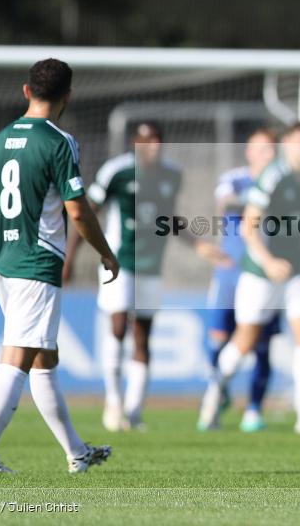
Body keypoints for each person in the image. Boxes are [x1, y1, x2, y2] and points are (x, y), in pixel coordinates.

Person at [0, 58, 118, 474]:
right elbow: (78, 212)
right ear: (68, 97)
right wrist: (105, 252)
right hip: (35, 264)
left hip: (2, 262)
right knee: (17, 360)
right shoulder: (59, 142)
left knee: (44, 359)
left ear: (27, 91)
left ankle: (77, 452)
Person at [63, 122, 227, 432]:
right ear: (134, 143)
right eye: (145, 141)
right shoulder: (117, 171)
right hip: (118, 262)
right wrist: (70, 258)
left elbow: (168, 218)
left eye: (156, 141)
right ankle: (113, 403)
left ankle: (134, 410)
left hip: (152, 265)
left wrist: (199, 244)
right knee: (118, 326)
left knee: (143, 335)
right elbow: (86, 212)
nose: (151, 146)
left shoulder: (171, 174)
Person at [198, 124, 300, 435]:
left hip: (296, 272)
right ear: (286, 145)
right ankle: (214, 394)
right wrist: (269, 261)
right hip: (261, 273)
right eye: (299, 142)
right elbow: (249, 227)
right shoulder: (272, 176)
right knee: (245, 342)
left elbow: (299, 227)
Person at [204, 129, 281, 432]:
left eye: (272, 149)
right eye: (262, 149)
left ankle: (253, 410)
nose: (268, 155)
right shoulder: (235, 178)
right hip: (229, 273)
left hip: (262, 274)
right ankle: (217, 393)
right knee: (219, 341)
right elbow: (226, 203)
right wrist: (258, 201)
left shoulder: (281, 182)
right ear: (249, 151)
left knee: (261, 344)